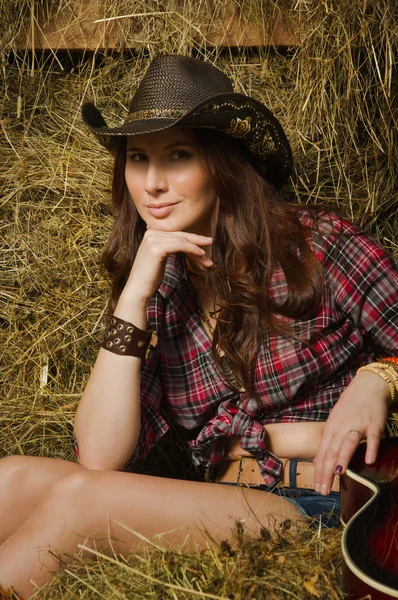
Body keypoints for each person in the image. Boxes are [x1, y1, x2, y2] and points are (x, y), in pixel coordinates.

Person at [0, 54, 397, 600]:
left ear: (223, 164)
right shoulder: (160, 290)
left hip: (328, 502)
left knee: (79, 503)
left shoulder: (318, 244)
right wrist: (135, 295)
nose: (153, 183)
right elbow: (97, 456)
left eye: (178, 155)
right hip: (222, 497)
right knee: (11, 478)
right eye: (138, 159)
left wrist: (380, 377)